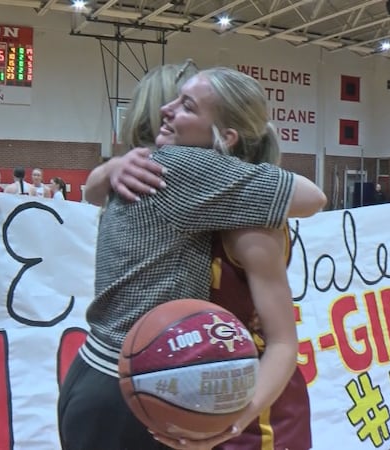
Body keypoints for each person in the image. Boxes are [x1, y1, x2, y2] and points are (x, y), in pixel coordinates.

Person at [58, 65, 326, 450]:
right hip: (154, 387)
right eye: (173, 99)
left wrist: (108, 168)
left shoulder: (163, 175)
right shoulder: (177, 172)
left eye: (186, 105)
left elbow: (282, 341)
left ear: (225, 133)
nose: (167, 110)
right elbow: (312, 197)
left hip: (134, 380)